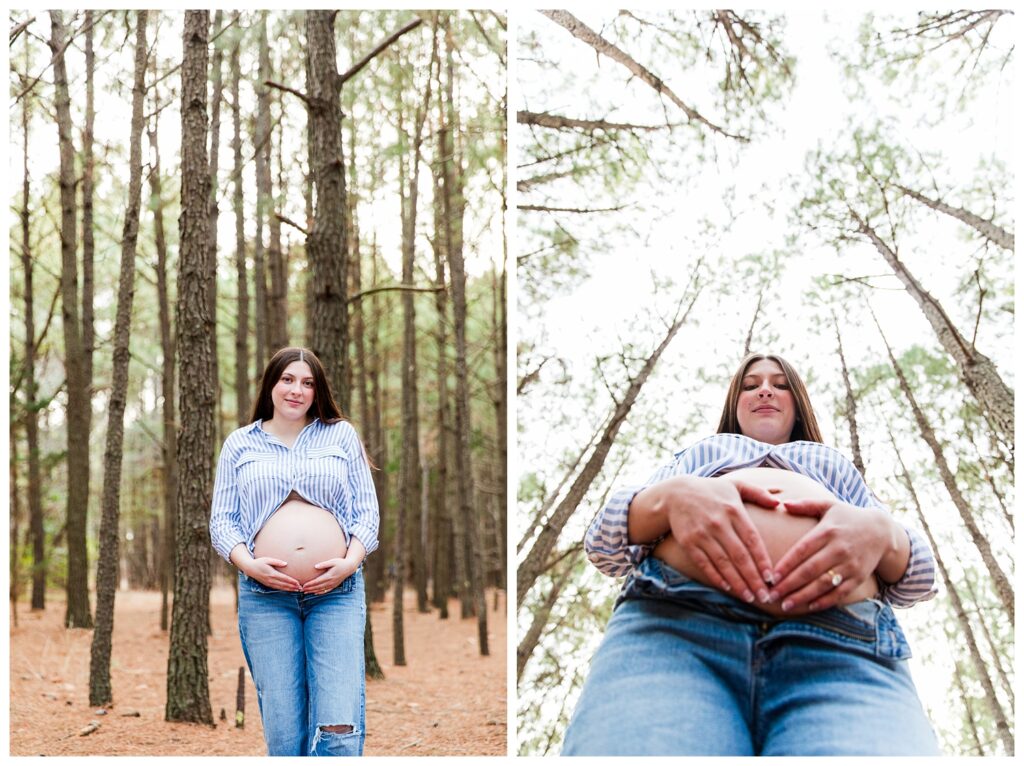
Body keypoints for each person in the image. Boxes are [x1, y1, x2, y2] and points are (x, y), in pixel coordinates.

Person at [561, 352, 940, 756]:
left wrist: (883, 533)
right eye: (750, 384)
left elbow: (917, 580)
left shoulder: (833, 464)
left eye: (780, 384)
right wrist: (670, 499)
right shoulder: (702, 454)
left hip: (844, 645)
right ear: (735, 403)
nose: (765, 390)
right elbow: (605, 548)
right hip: (675, 629)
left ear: (797, 405)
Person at [210, 347, 379, 757]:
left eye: (307, 383)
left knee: (339, 723)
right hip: (265, 598)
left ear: (317, 390)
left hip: (335, 595)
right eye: (287, 379)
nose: (296, 390)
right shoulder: (239, 444)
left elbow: (366, 513)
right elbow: (222, 522)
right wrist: (250, 565)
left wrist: (348, 564)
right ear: (271, 384)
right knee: (285, 736)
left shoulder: (340, 435)